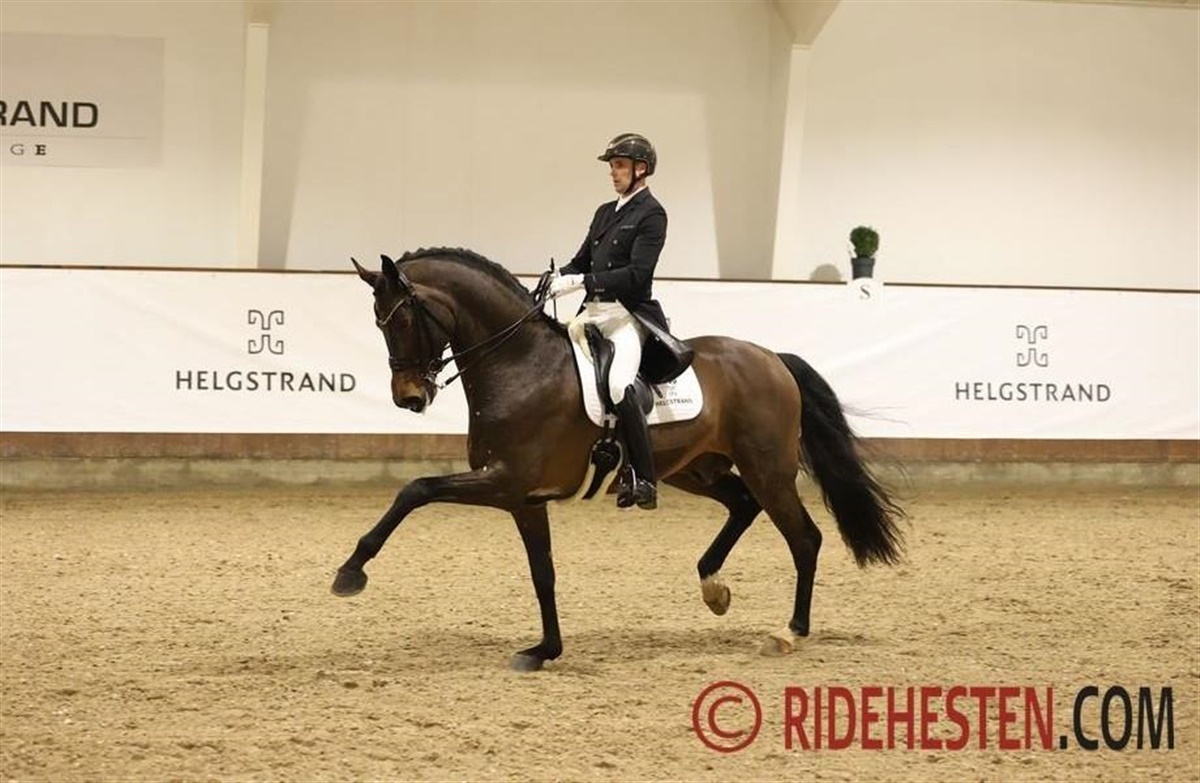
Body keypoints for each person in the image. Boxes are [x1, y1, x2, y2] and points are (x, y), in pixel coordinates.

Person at [547, 132, 668, 511]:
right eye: (612, 166)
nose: (613, 173)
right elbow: (581, 261)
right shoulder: (604, 212)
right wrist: (558, 277)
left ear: (640, 169)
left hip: (626, 315)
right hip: (593, 313)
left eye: (619, 165)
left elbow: (637, 274)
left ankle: (643, 478)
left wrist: (583, 282)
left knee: (618, 385)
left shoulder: (652, 214)